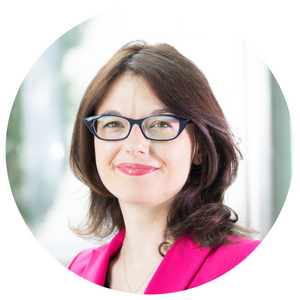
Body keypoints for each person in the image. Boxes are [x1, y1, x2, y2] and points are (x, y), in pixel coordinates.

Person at [68, 40, 261, 294]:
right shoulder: (77, 271)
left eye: (160, 124)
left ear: (200, 148)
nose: (134, 146)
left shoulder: (247, 265)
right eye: (113, 124)